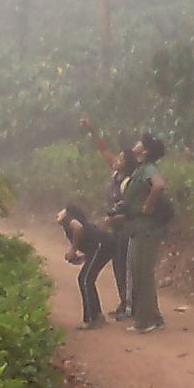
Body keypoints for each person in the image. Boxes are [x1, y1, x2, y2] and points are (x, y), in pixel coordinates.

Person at [77, 118, 133, 319]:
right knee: (118, 265)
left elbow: (130, 210)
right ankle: (124, 302)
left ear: (127, 163)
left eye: (120, 158)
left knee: (125, 266)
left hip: (125, 227)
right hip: (116, 228)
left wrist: (111, 221)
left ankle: (130, 306)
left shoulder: (128, 182)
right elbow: (104, 151)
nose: (116, 159)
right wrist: (93, 130)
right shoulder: (117, 175)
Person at [120, 131, 171, 333]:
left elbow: (159, 185)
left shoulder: (148, 168)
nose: (136, 143)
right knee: (141, 272)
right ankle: (154, 317)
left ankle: (144, 321)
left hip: (146, 229)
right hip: (139, 228)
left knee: (142, 273)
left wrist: (148, 206)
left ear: (146, 149)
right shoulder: (140, 169)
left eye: (140, 142)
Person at [56, 202, 121, 327]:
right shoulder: (74, 222)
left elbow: (78, 228)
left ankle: (92, 319)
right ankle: (97, 316)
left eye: (61, 211)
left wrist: (72, 250)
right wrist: (82, 258)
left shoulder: (67, 218)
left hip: (102, 245)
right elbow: (89, 242)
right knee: (86, 279)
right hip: (104, 245)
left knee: (85, 279)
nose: (58, 214)